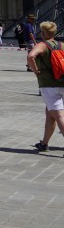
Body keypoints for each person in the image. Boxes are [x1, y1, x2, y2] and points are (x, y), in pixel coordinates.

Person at [26, 21, 64, 153]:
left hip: (49, 85)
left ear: (43, 33)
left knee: (59, 116)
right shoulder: (62, 45)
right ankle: (44, 143)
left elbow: (31, 56)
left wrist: (36, 71)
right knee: (50, 114)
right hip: (63, 82)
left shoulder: (42, 45)